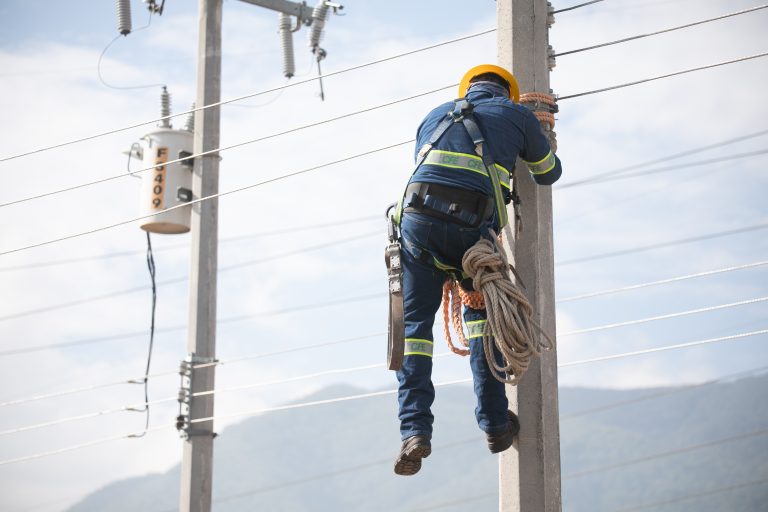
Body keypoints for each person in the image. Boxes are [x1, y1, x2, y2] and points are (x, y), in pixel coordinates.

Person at [392, 64, 562, 476]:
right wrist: (542, 134)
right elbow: (547, 173)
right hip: (471, 231)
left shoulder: (434, 114)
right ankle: (494, 424)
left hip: (415, 225)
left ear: (467, 89)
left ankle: (414, 431)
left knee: (415, 332)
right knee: (481, 325)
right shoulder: (517, 115)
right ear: (508, 93)